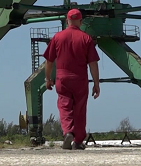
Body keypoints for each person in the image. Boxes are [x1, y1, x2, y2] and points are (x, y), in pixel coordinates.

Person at [43, 8, 101, 150]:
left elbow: (49, 62)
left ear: (67, 21)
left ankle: (68, 131)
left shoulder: (57, 37)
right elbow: (93, 63)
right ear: (81, 22)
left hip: (62, 78)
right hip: (80, 78)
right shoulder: (86, 38)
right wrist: (96, 84)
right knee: (80, 109)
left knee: (64, 106)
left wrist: (47, 79)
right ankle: (78, 141)